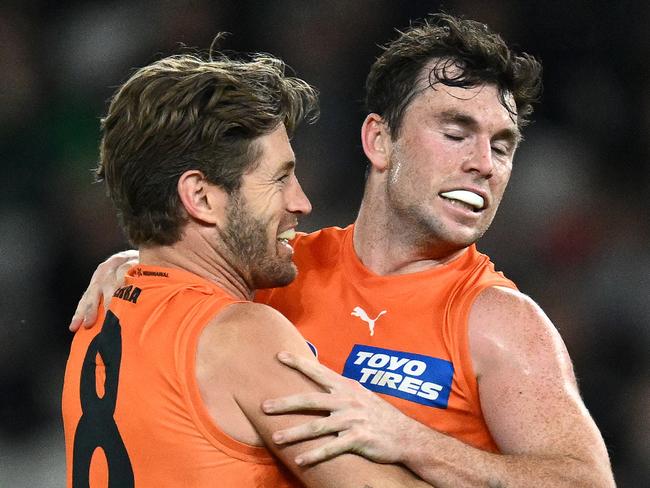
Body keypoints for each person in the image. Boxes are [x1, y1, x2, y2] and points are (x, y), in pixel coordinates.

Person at [69, 14, 616, 487]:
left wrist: (414, 441)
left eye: (502, 145)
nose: (484, 163)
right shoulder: (277, 271)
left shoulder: (500, 324)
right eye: (456, 133)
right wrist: (138, 261)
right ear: (379, 140)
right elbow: (191, 274)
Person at [61, 49, 432, 487]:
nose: (301, 203)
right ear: (200, 197)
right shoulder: (239, 335)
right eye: (279, 178)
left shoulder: (101, 312)